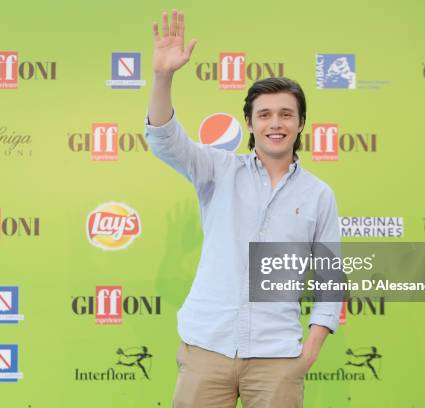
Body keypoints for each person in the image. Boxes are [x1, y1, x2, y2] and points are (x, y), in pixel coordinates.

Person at [145, 10, 341, 408]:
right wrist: (163, 76)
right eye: (264, 114)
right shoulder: (218, 169)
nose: (275, 123)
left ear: (301, 123)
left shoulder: (319, 194)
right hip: (207, 348)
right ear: (249, 123)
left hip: (277, 358)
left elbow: (331, 282)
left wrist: (307, 355)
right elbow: (165, 141)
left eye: (286, 114)